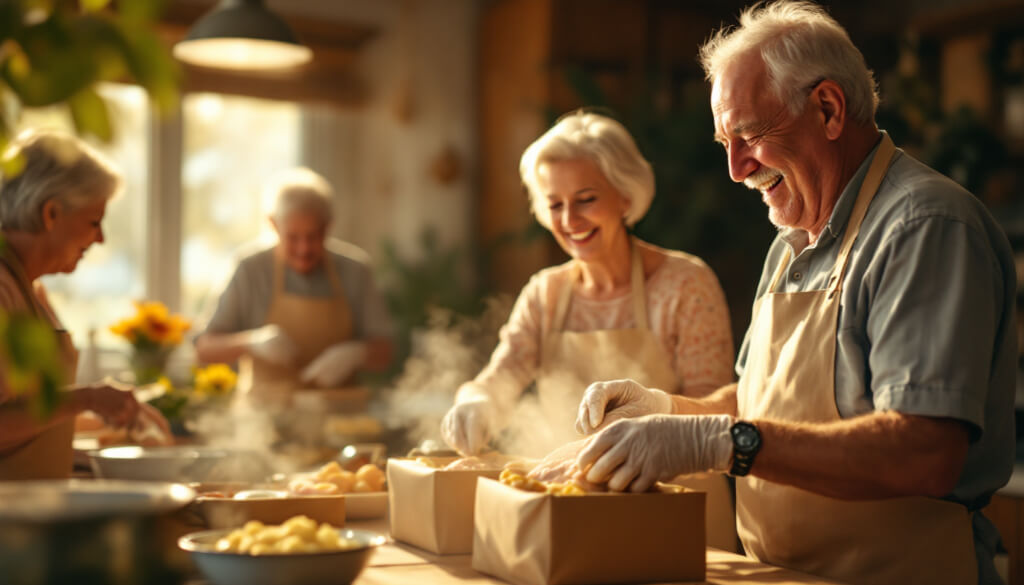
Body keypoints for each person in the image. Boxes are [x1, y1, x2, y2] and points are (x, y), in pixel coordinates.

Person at [565, 3, 1015, 585]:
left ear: (828, 109)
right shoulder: (790, 243)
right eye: (725, 142)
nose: (734, 168)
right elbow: (762, 402)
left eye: (749, 135)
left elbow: (923, 450)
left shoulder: (922, 225)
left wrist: (720, 441)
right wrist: (667, 411)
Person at [440, 111, 738, 549]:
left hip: (674, 519)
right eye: (554, 204)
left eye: (585, 199)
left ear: (624, 195)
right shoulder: (546, 293)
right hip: (570, 514)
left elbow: (717, 413)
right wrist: (477, 401)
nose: (569, 220)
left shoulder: (685, 284)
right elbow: (502, 376)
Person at [0, 129, 172, 480]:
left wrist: (108, 414)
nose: (101, 238)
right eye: (94, 221)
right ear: (51, 214)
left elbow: (34, 414)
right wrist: (88, 398)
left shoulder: (33, 292)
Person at [195, 167, 393, 395]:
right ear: (273, 225)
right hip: (264, 418)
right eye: (293, 237)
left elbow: (385, 352)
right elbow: (205, 348)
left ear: (329, 226)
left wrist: (358, 354)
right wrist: (251, 342)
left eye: (313, 236)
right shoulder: (249, 270)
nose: (304, 248)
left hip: (341, 416)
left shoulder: (356, 271)